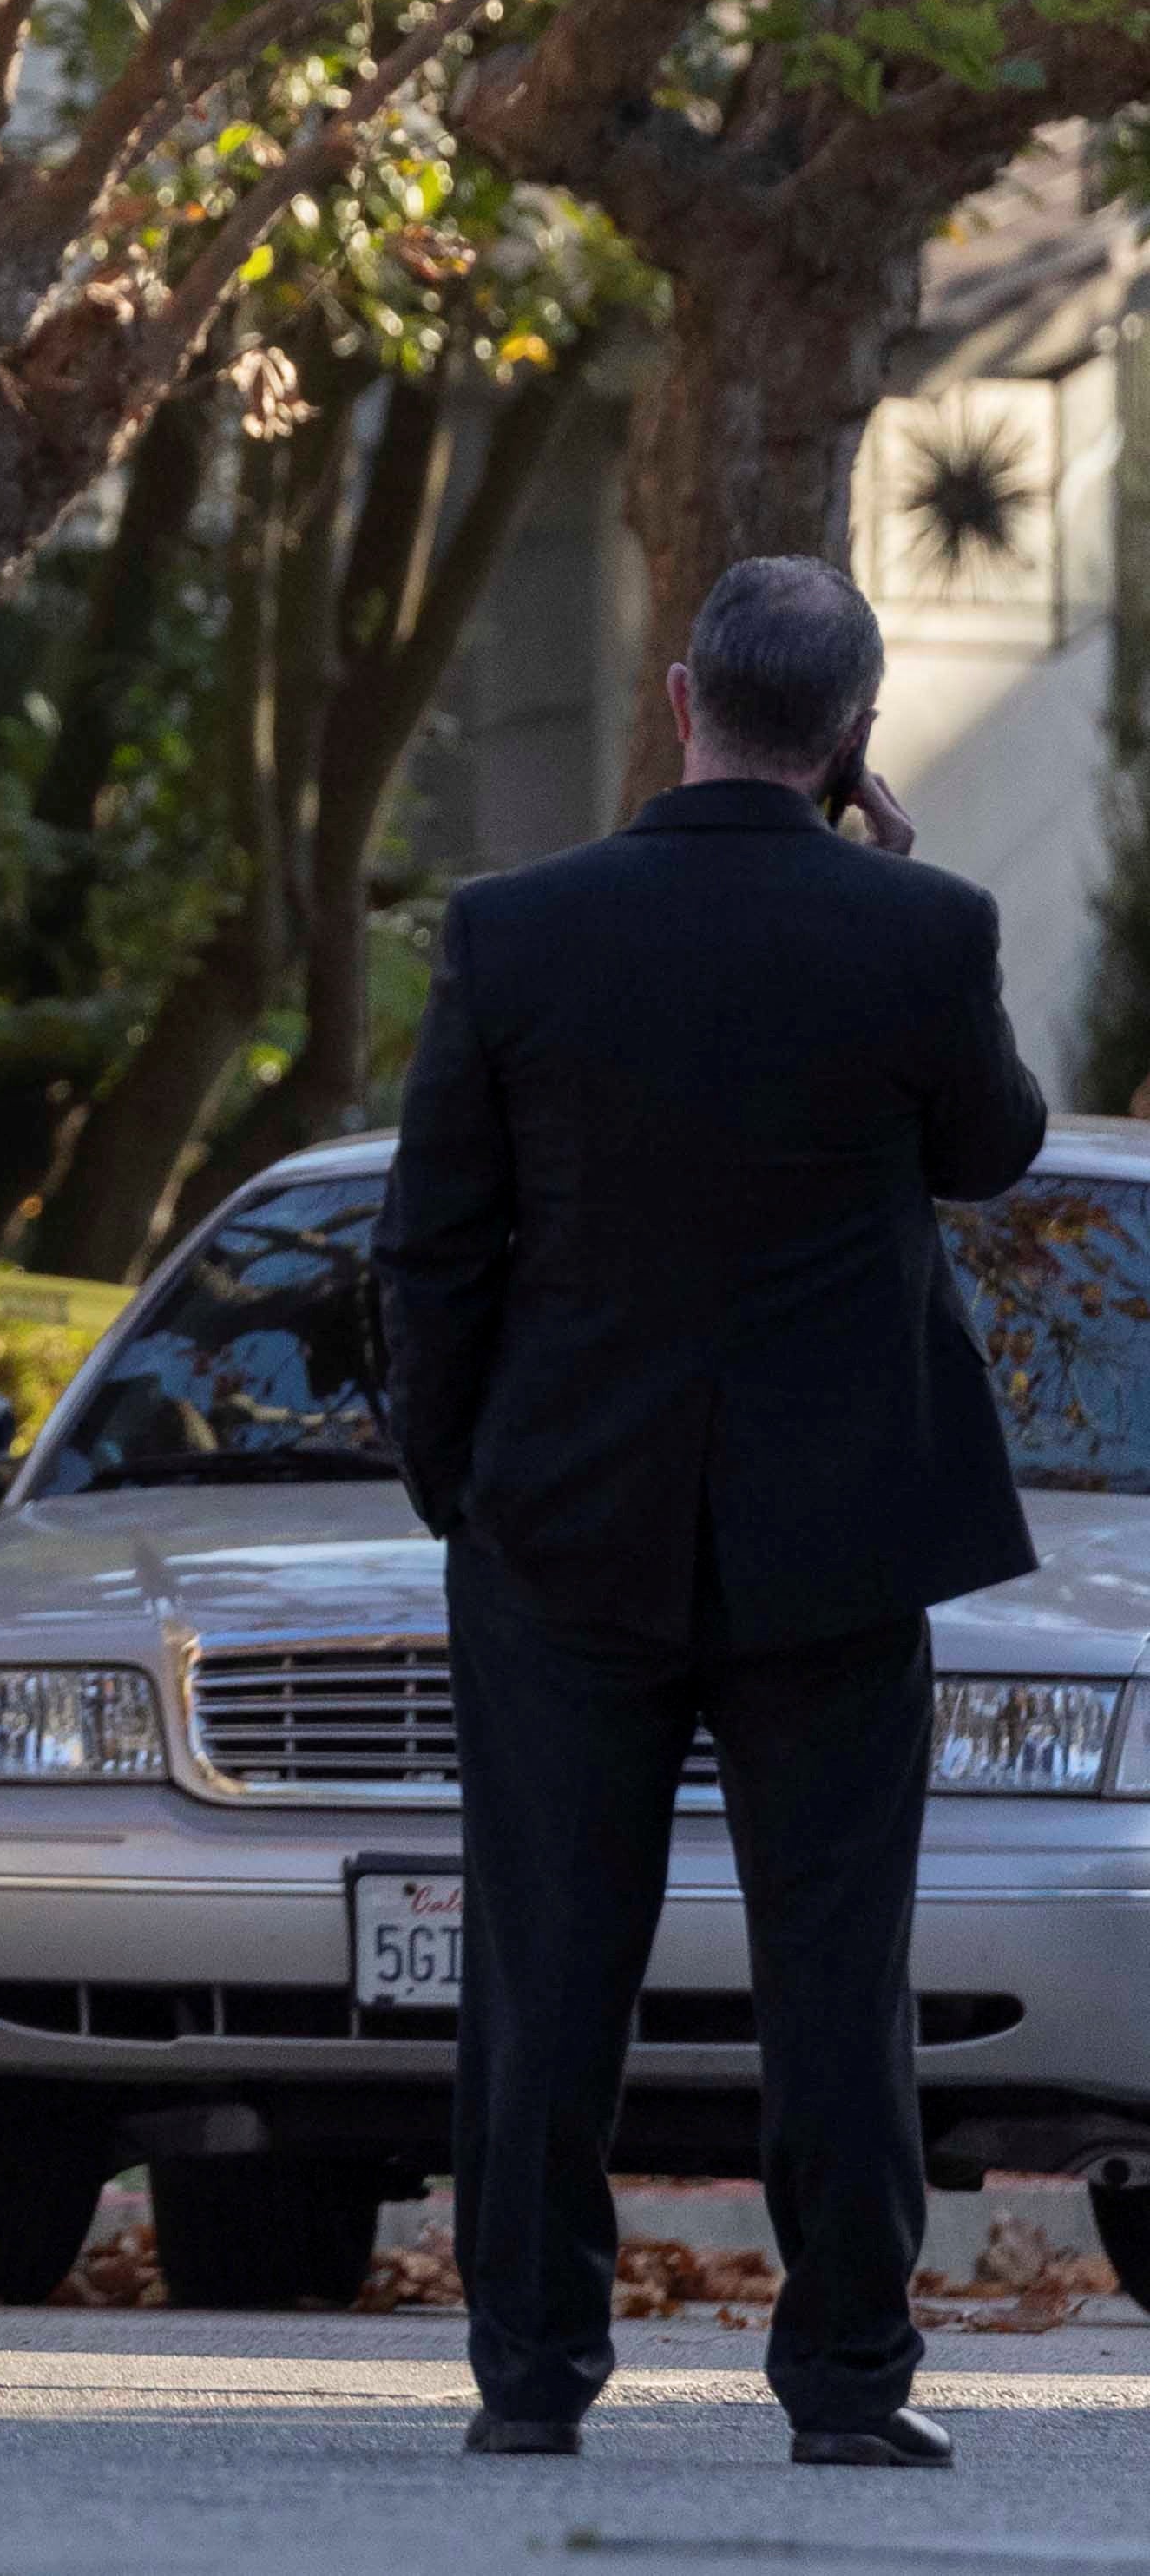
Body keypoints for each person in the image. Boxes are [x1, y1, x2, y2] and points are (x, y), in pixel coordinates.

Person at [374, 556, 1047, 2472]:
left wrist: (460, 1481)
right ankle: (843, 2375)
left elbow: (429, 1245)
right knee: (836, 1962)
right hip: (836, 1540)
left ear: (677, 696)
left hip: (561, 1524)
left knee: (541, 1961)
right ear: (852, 729)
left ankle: (530, 2372)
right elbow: (990, 1148)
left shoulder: (518, 932)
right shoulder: (915, 931)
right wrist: (897, 866)